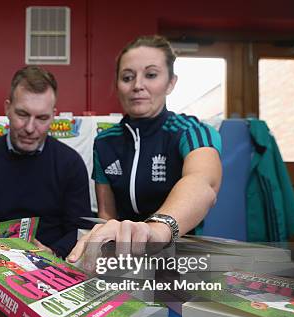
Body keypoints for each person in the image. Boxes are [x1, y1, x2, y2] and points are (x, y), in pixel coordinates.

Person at [68, 35, 222, 262]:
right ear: (118, 84)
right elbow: (106, 213)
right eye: (127, 77)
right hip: (124, 257)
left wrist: (157, 230)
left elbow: (203, 182)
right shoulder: (105, 142)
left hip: (180, 257)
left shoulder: (191, 131)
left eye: (151, 75)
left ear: (171, 82)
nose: (137, 85)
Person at [0, 66, 92, 258]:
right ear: (7, 108)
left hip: (53, 263)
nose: (30, 128)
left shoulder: (70, 163)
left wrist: (52, 253)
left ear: (53, 116)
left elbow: (80, 230)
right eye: (22, 114)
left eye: (42, 118)